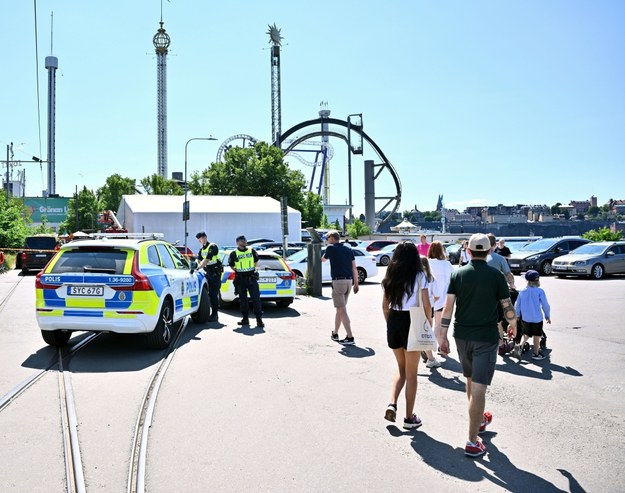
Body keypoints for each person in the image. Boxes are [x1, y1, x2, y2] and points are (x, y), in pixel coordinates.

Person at [436, 233, 517, 458]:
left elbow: (447, 307)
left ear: (469, 252)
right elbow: (507, 305)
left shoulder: (458, 274)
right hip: (486, 337)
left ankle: (479, 420)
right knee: (479, 387)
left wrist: (442, 336)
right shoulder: (496, 275)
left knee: (470, 381)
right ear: (490, 251)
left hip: (461, 335)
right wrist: (513, 323)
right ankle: (472, 441)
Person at [382, 241, 432, 429]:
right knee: (412, 373)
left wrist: (390, 323)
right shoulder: (420, 275)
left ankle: (392, 403)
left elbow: (384, 305)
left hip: (394, 320)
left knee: (401, 369)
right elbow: (426, 304)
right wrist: (427, 323)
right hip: (412, 320)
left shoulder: (390, 274)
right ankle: (409, 418)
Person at [322, 230, 359, 345]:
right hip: (349, 282)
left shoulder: (330, 248)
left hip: (338, 282)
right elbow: (354, 268)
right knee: (340, 309)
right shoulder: (348, 249)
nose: (327, 240)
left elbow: (323, 259)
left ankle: (350, 337)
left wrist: (327, 249)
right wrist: (356, 283)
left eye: (327, 238)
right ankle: (335, 333)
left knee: (342, 310)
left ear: (332, 239)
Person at [486, 233, 517, 353]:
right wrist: (512, 286)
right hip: (496, 293)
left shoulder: (476, 258)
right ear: (494, 245)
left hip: (480, 294)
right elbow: (508, 275)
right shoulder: (500, 259)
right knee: (498, 320)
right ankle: (500, 345)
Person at [228, 235, 264, 328]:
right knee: (243, 301)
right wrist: (238, 270)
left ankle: (259, 320)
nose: (243, 242)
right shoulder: (234, 253)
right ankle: (245, 319)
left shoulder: (251, 250)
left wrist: (250, 269)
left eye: (244, 240)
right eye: (241, 240)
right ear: (237, 242)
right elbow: (231, 265)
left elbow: (256, 261)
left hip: (251, 277)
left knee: (256, 300)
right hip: (240, 279)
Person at [514, 270, 551, 360]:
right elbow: (545, 305)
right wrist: (547, 315)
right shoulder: (540, 291)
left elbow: (517, 304)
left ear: (527, 280)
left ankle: (520, 346)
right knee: (536, 336)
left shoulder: (522, 291)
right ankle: (536, 353)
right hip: (537, 318)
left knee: (526, 334)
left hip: (525, 318)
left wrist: (517, 314)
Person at [427, 241, 454, 355]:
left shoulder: (426, 263)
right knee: (439, 326)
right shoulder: (446, 264)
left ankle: (437, 348)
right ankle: (432, 347)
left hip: (426, 299)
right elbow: (452, 280)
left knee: (428, 325)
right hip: (442, 299)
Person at [420, 257, 441, 368]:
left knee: (420, 331)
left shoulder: (415, 277)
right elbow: (437, 295)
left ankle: (425, 351)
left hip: (417, 307)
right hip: (429, 306)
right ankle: (430, 358)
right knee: (427, 332)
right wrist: (432, 299)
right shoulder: (431, 278)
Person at [195, 232, 221, 322]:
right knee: (208, 295)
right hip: (208, 273)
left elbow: (206, 260)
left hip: (215, 273)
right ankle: (210, 314)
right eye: (198, 239)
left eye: (200, 238)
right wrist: (198, 263)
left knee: (213, 294)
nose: (199, 241)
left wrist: (198, 267)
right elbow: (198, 259)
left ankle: (214, 315)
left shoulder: (212, 246)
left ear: (205, 237)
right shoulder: (202, 249)